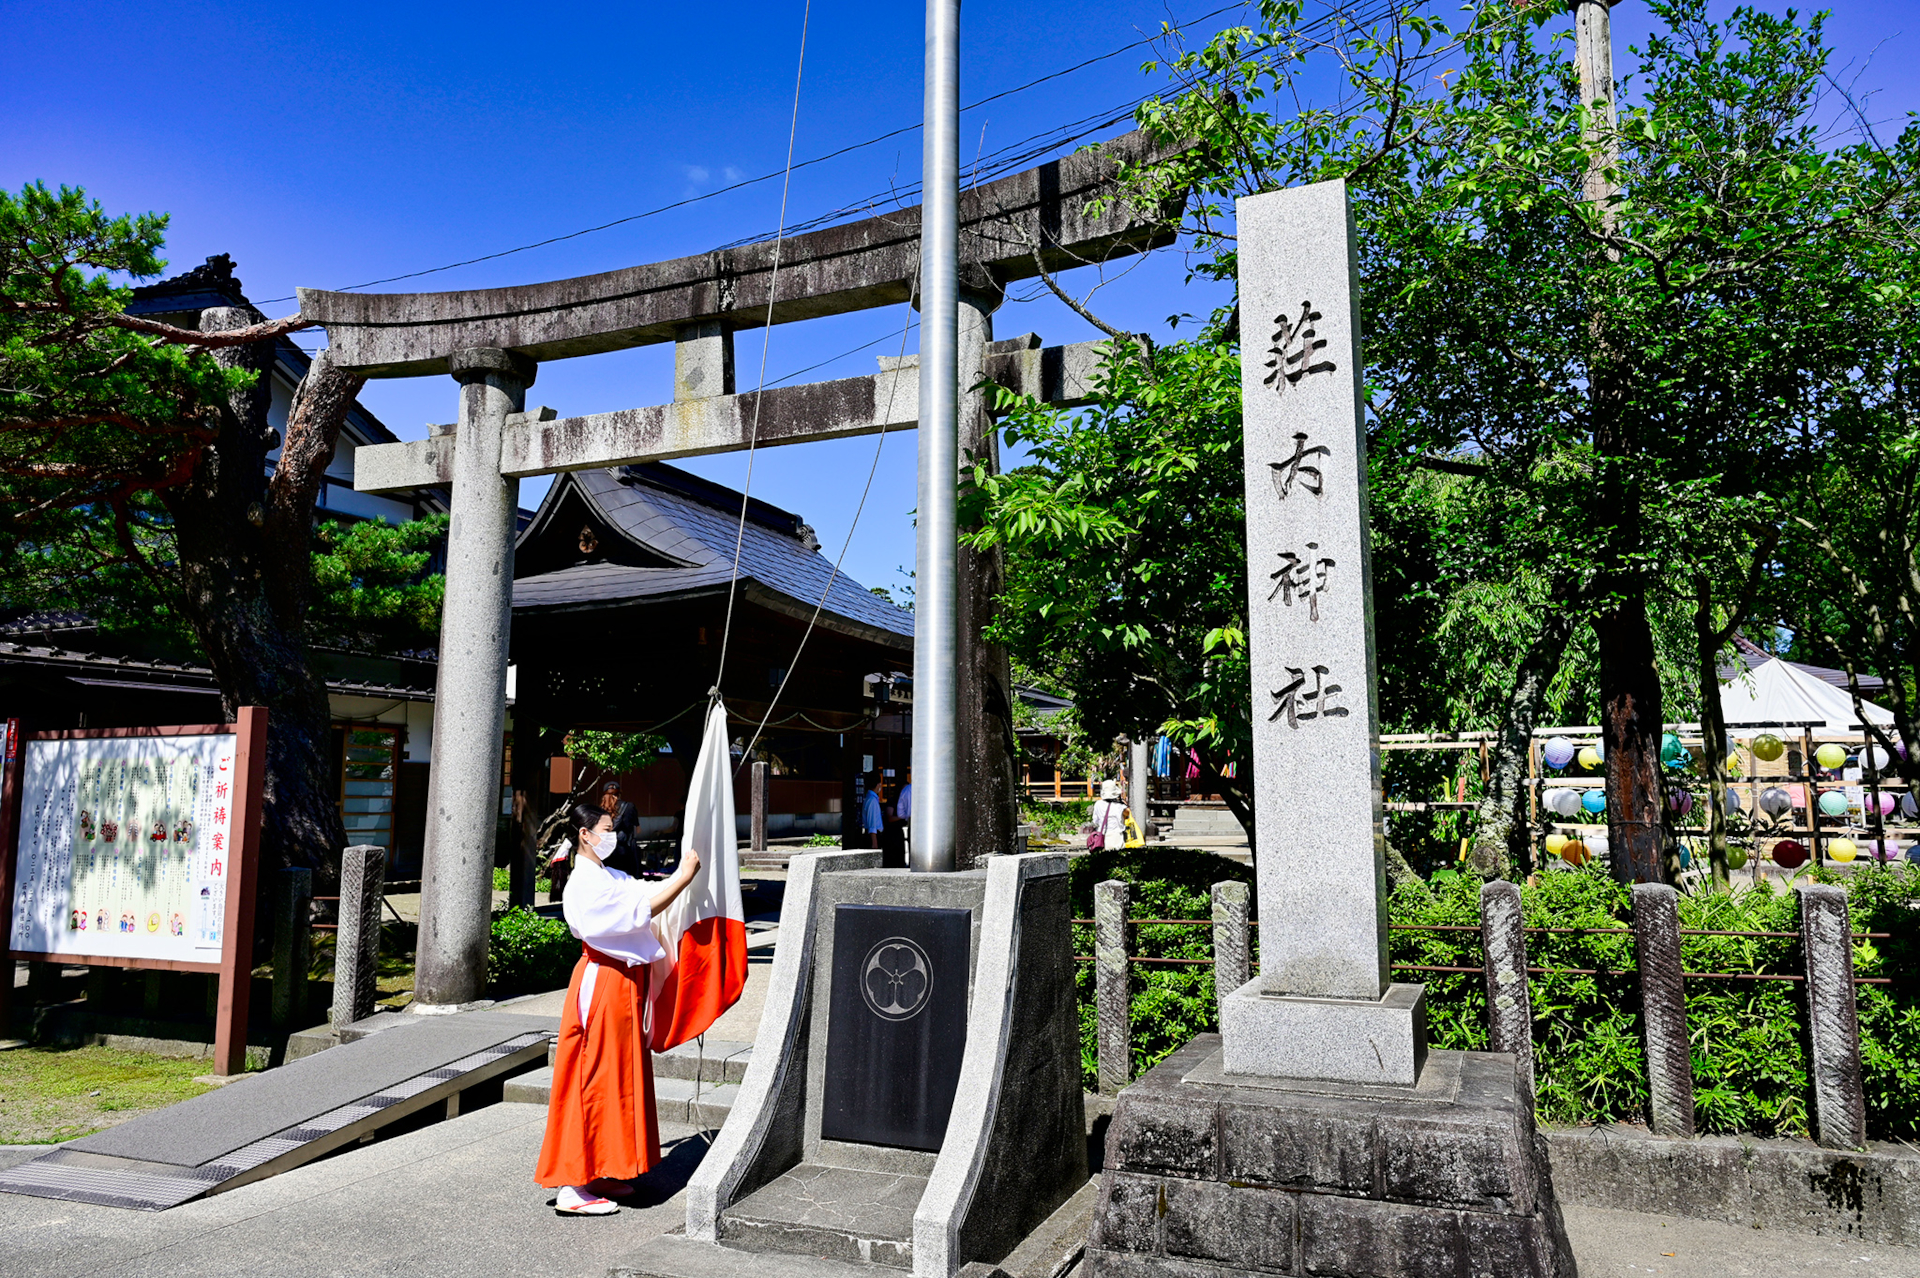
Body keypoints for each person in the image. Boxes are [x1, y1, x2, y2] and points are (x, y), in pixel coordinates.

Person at [535, 803, 701, 1216]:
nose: (613, 835)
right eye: (606, 828)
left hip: (623, 983)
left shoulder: (609, 876)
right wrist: (681, 878)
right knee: (592, 1074)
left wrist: (682, 877)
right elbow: (638, 910)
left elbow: (643, 893)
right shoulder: (582, 883)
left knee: (618, 1074)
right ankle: (573, 1183)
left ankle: (602, 1168)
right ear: (585, 835)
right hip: (604, 981)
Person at [597, 780, 641, 876]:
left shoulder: (599, 811)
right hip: (624, 849)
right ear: (619, 793)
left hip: (605, 851)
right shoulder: (629, 807)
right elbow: (637, 830)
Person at [1090, 779, 1130, 849]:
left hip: (1101, 836)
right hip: (1116, 837)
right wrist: (1123, 802)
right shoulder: (1120, 807)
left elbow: (1095, 821)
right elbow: (1128, 814)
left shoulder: (1098, 804)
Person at [859, 775, 886, 851]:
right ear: (877, 785)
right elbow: (872, 824)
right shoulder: (872, 800)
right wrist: (874, 843)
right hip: (874, 836)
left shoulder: (870, 798)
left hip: (873, 834)